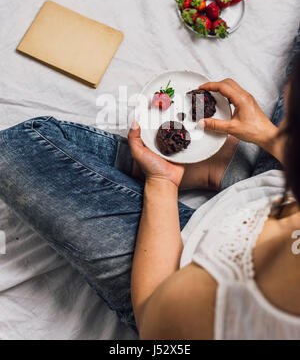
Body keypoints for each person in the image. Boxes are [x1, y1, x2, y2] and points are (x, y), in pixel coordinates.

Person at [0, 29, 299, 340]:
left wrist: (162, 183)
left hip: (176, 265)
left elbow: (156, 319)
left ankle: (215, 170)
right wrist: (269, 136)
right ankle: (228, 172)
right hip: (278, 181)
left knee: (18, 149)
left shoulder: (235, 310)